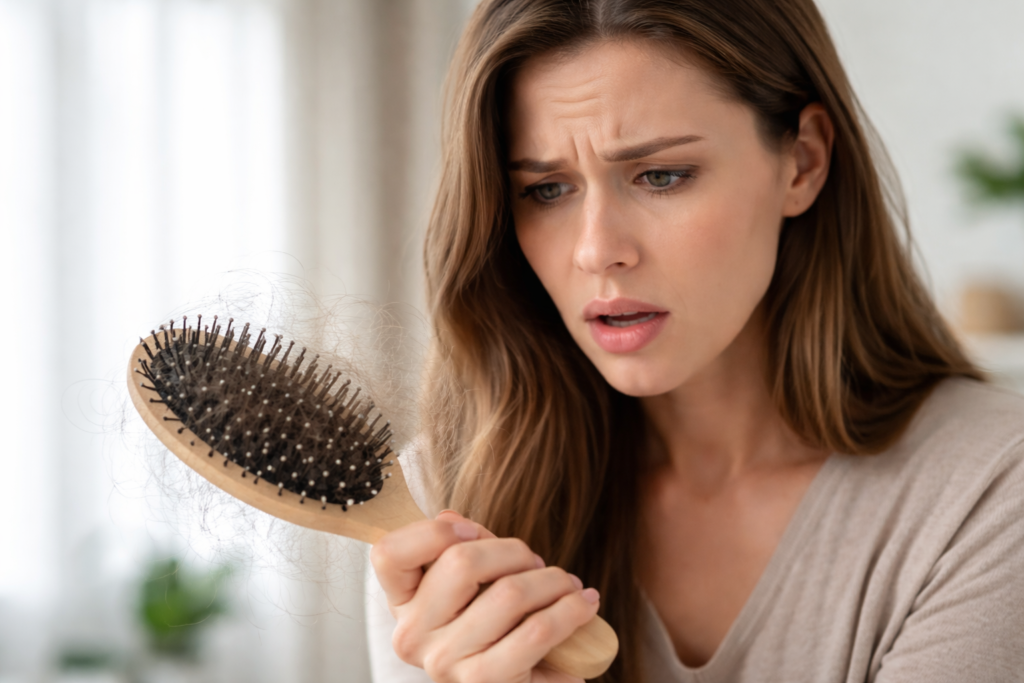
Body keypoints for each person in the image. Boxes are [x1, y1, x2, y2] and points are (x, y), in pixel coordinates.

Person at [366, 1, 1024, 681]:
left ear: (802, 163)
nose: (597, 251)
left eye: (660, 176)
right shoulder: (445, 503)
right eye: (547, 189)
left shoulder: (991, 492)